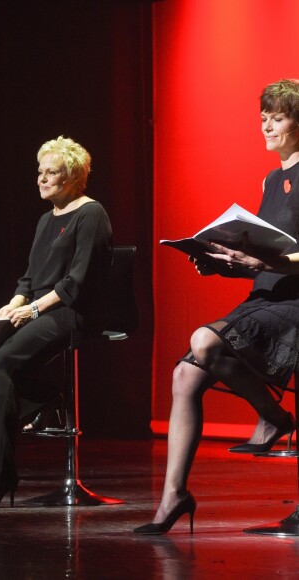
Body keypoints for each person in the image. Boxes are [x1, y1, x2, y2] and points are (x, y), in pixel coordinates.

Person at [134, 78, 299, 535]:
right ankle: (173, 499)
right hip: (266, 298)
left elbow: (285, 258)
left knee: (204, 340)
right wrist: (227, 265)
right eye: (263, 115)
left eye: (278, 116)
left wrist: (263, 259)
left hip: (295, 305)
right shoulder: (270, 178)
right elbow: (266, 262)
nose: (266, 124)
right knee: (185, 373)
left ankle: (273, 417)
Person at [0, 136, 113, 508]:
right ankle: (42, 399)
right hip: (40, 307)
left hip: (72, 311)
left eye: (52, 172)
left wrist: (32, 309)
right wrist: (12, 305)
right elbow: (29, 278)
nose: (41, 179)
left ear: (73, 177)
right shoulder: (46, 219)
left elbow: (77, 283)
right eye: (40, 171)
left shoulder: (91, 214)